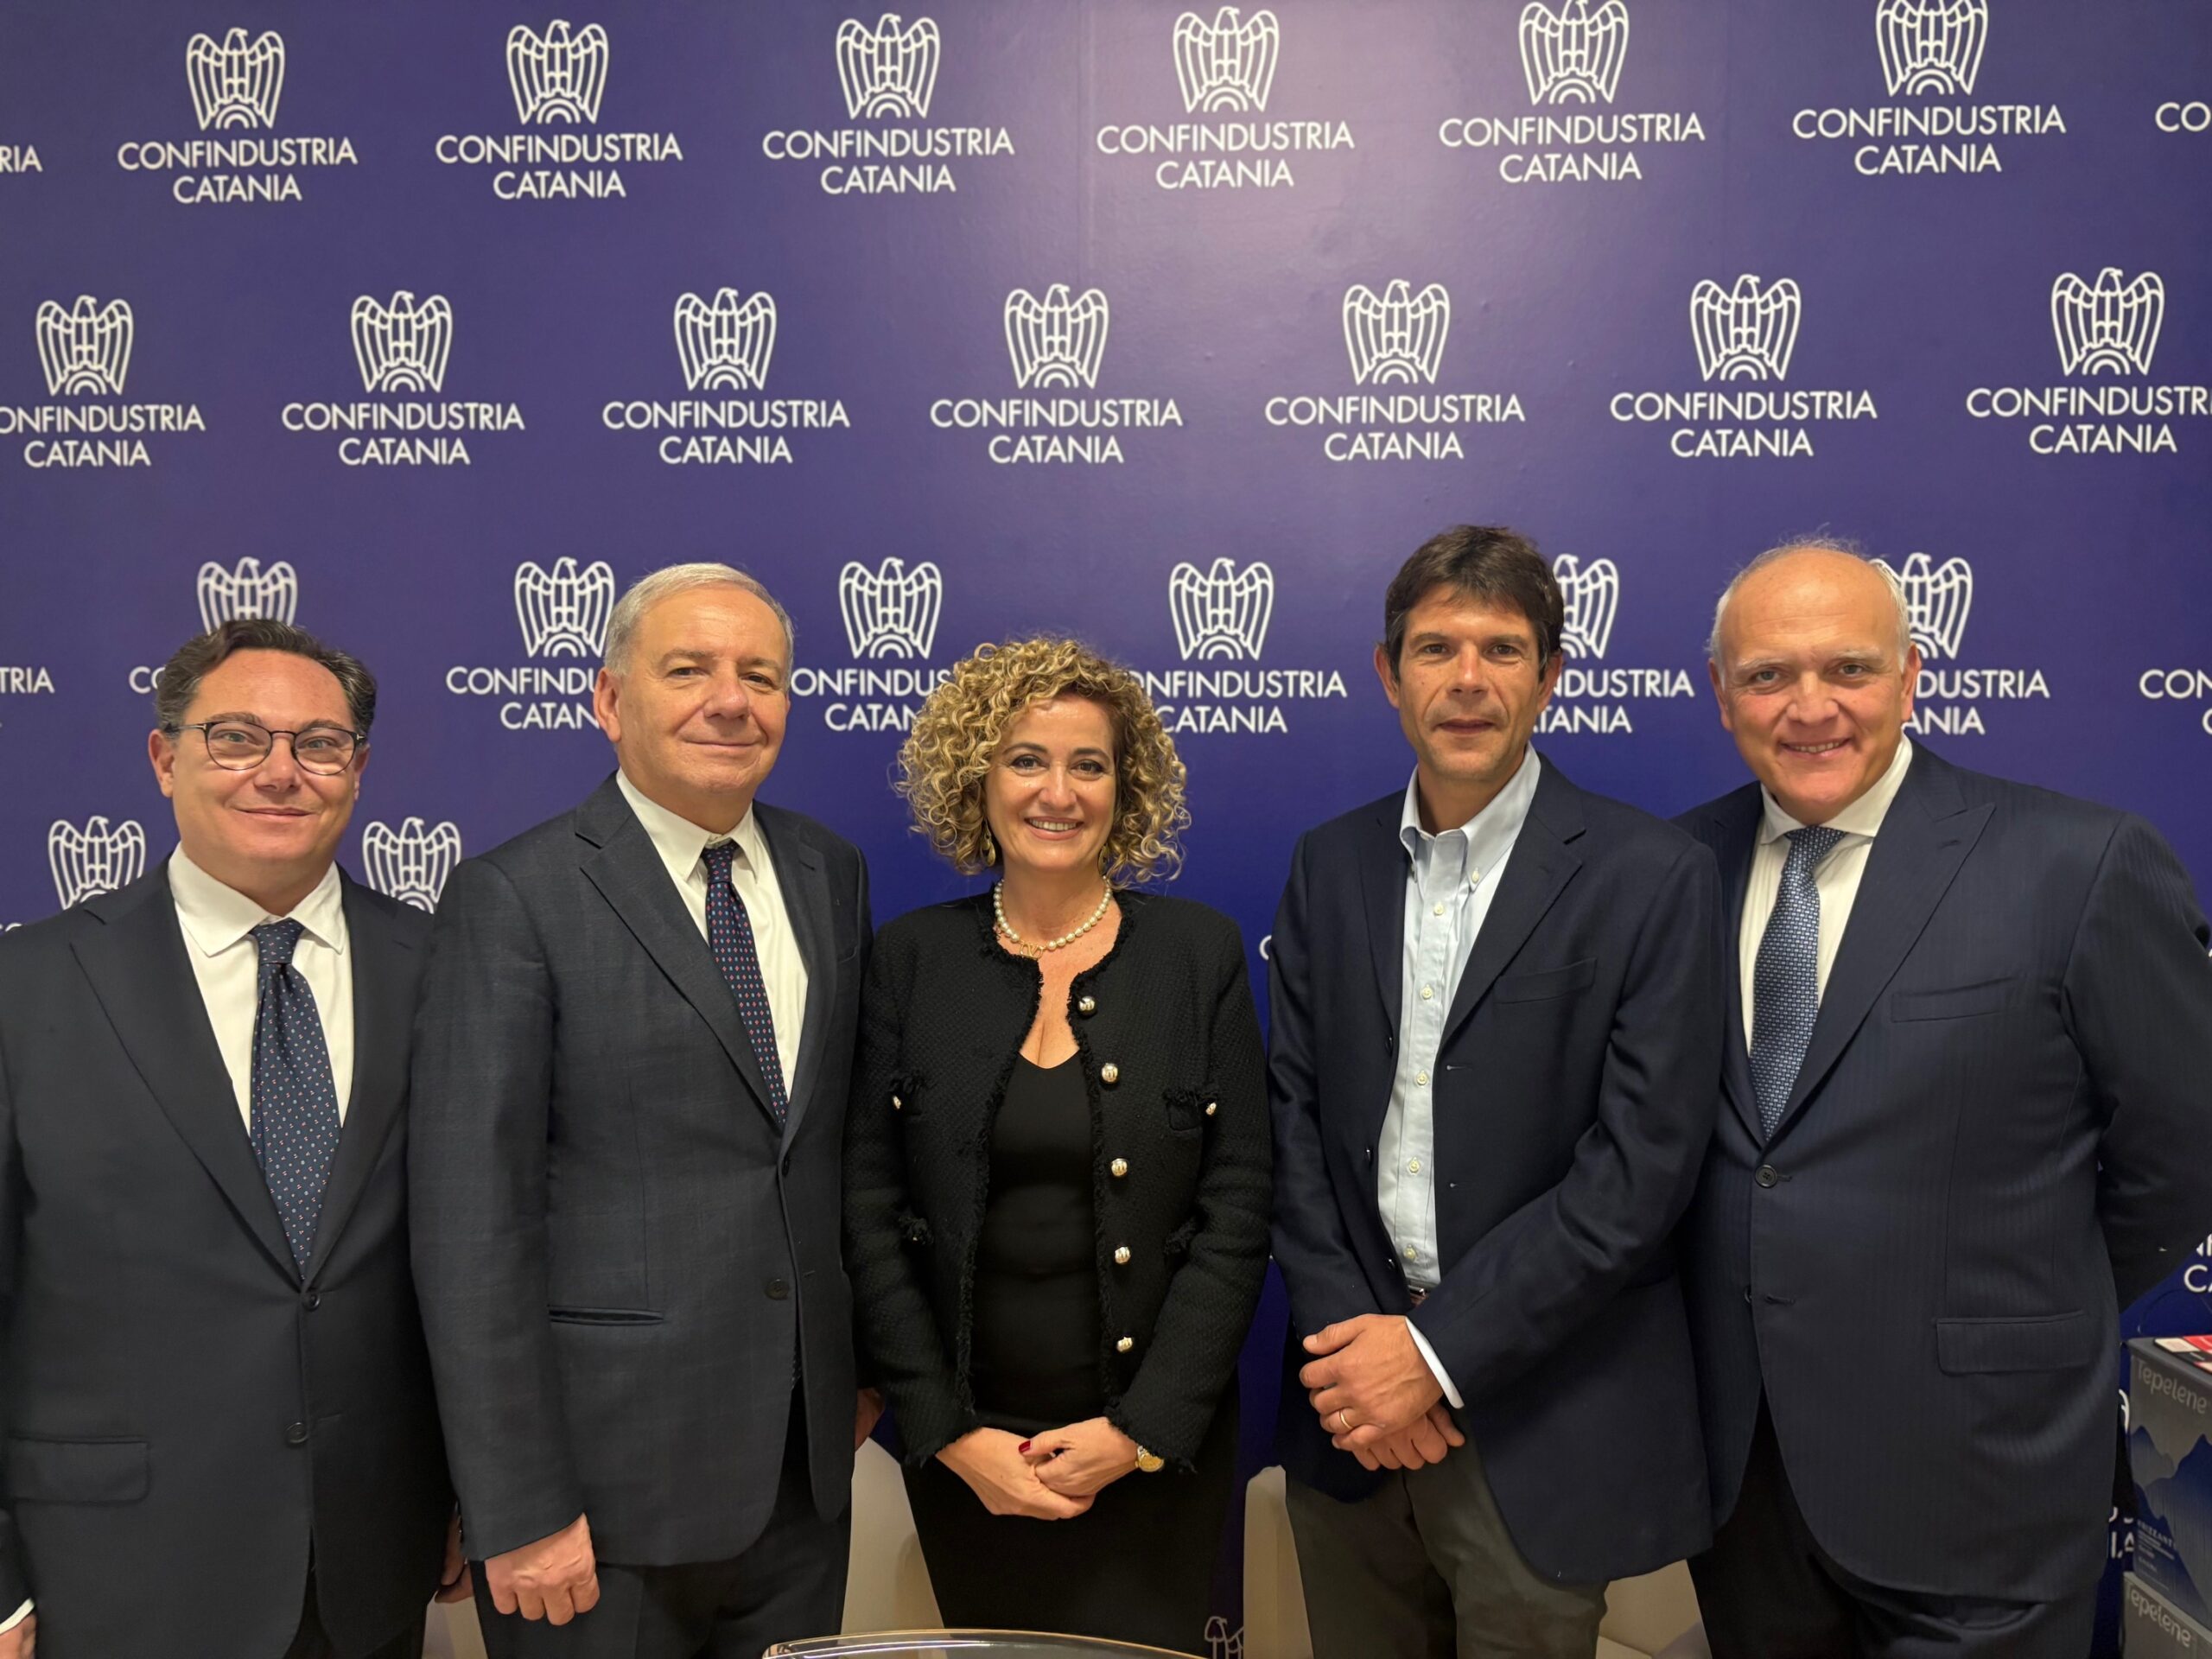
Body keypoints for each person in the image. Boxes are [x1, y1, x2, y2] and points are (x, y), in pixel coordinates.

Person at [1675, 537, 2212, 1658]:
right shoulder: (1674, 870)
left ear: (1911, 674)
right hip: (1748, 1489)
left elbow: (2183, 1152)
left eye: (1849, 668)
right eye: (1768, 675)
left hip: (1986, 1478)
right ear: (1720, 694)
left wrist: (2018, 1300)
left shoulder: (2078, 863)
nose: (1810, 707)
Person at [1268, 526, 1725, 1657]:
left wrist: (1431, 1359)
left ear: (1550, 676)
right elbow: (1292, 1122)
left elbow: (1638, 1173)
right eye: (1435, 649)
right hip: (1351, 1426)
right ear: (1389, 674)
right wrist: (1357, 1356)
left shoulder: (1651, 875)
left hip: (1538, 1419)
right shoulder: (1329, 862)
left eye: (1502, 650)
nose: (1467, 679)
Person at [409, 564, 874, 1659]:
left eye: (761, 675)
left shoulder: (828, 871)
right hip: (597, 1506)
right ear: (610, 700)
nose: (731, 700)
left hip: (799, 1485)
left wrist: (859, 1376)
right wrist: (517, 1506)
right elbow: (472, 1226)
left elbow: (835, 1147)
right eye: (689, 670)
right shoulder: (514, 896)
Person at [0, 619, 460, 1659]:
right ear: (165, 758)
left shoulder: (447, 970)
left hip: (369, 1571)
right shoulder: (27, 989)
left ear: (359, 771)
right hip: (106, 1576)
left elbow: (484, 1262)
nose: (280, 772)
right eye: (237, 737)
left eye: (319, 744)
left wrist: (480, 1492)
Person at [843, 636, 1271, 1656]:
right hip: (970, 1459)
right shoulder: (910, 958)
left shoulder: (1196, 953)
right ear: (977, 777)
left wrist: (1141, 1433)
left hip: (1151, 1458)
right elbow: (866, 1207)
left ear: (1126, 789)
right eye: (1026, 760)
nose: (1058, 792)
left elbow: (1239, 1204)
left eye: (1089, 765)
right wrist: (945, 1432)